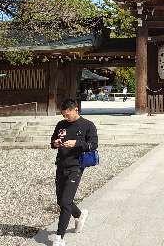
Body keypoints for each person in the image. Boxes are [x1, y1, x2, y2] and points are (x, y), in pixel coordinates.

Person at [50, 99, 98, 246]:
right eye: (63, 115)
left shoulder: (88, 125)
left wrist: (76, 143)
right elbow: (52, 141)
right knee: (61, 200)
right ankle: (79, 214)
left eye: (68, 114)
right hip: (61, 165)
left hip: (76, 166)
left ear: (75, 109)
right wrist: (55, 143)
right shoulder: (61, 124)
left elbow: (93, 144)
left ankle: (59, 237)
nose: (66, 117)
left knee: (65, 201)